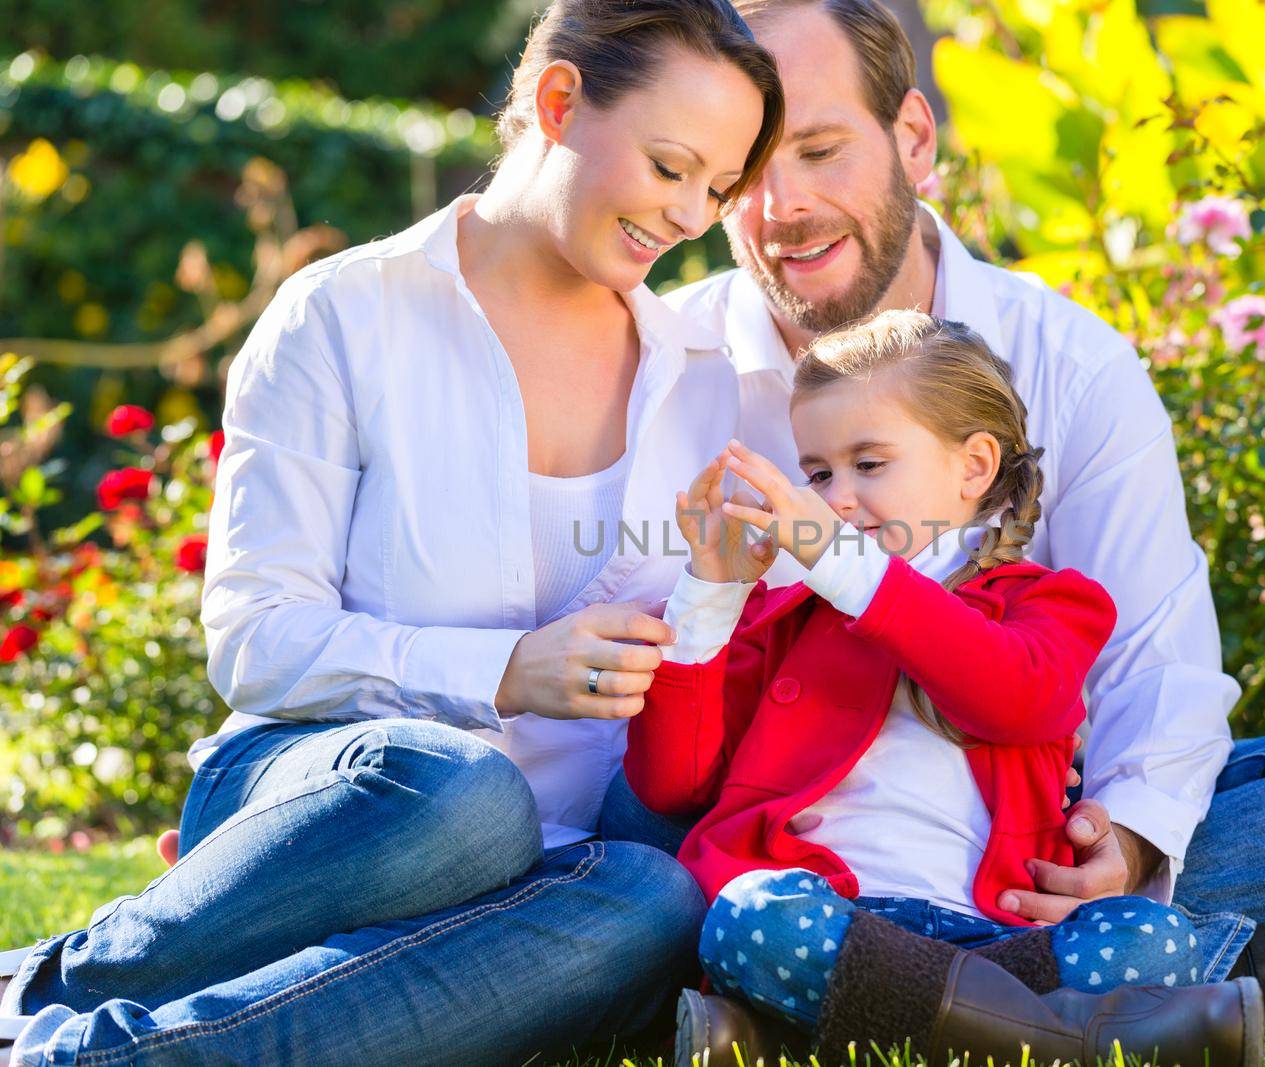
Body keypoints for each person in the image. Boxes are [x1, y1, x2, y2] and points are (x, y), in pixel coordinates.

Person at [600, 0, 1265, 1046]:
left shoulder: (1068, 359)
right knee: (646, 856)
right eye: (745, 171)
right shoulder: (664, 360)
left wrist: (1134, 841)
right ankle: (1264, 984)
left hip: (1016, 843)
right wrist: (703, 594)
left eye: (821, 149)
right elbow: (660, 742)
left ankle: (820, 1001)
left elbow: (1151, 655)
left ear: (912, 136)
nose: (783, 204)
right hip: (774, 829)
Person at [0, 2, 785, 1063]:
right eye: (670, 166)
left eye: (717, 188)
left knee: (654, 894)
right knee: (465, 796)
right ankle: (63, 978)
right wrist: (501, 671)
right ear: (557, 101)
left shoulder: (698, 380)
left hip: (564, 859)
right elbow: (257, 640)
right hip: (353, 800)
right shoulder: (344, 314)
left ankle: (94, 1053)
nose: (691, 214)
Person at [627, 311, 1265, 1067]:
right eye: (819, 471)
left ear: (974, 466)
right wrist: (707, 595)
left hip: (997, 932)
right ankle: (1063, 1042)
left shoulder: (1052, 602)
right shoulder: (788, 614)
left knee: (1154, 940)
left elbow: (1012, 694)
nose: (836, 500)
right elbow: (674, 784)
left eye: (869, 465)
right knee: (746, 916)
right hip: (837, 916)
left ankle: (796, 1035)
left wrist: (850, 571)